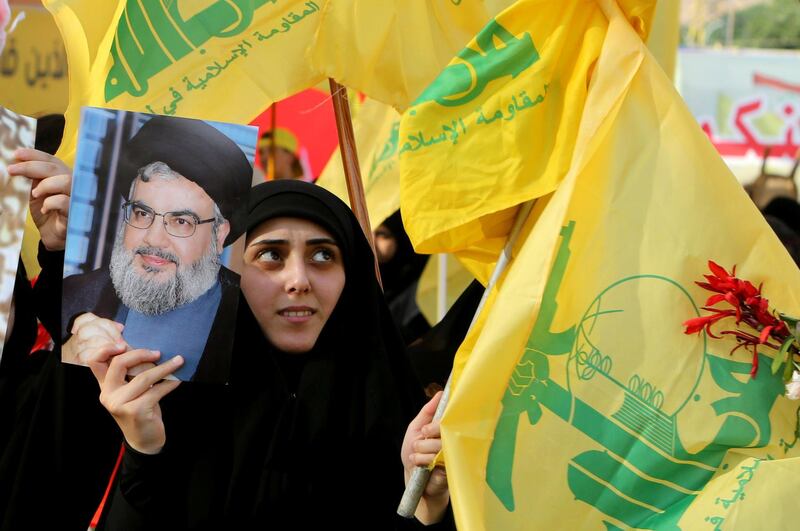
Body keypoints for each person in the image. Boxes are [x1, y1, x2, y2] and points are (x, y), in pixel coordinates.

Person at [82, 180, 451, 529]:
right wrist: (144, 453)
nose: (298, 280)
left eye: (323, 255)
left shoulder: (409, 412)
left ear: (351, 273)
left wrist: (427, 504)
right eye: (271, 255)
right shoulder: (167, 399)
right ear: (230, 270)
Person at [61, 116, 252, 383]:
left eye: (182, 221)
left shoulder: (253, 317)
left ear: (219, 235)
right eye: (142, 213)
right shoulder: (74, 297)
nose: (153, 238)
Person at [375, 210, 431, 344]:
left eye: (382, 235)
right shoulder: (351, 278)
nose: (371, 239)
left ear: (400, 239)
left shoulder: (420, 284)